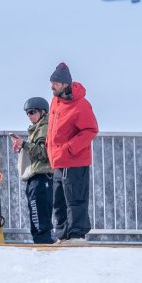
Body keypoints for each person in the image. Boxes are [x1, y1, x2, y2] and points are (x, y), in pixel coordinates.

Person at [46, 62, 99, 244]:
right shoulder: (55, 102)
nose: (52, 86)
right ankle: (63, 235)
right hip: (58, 161)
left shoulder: (81, 104)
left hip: (74, 161)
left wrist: (70, 148)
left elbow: (91, 129)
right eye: (52, 82)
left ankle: (77, 234)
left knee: (75, 198)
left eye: (56, 83)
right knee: (58, 200)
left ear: (65, 84)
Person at [12, 97, 54, 244]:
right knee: (36, 212)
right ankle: (41, 241)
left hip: (42, 177)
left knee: (39, 214)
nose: (29, 115)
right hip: (36, 177)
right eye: (27, 113)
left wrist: (24, 144)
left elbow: (43, 153)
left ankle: (43, 242)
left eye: (32, 112)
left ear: (42, 112)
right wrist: (23, 147)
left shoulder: (44, 127)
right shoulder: (37, 128)